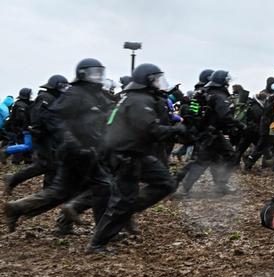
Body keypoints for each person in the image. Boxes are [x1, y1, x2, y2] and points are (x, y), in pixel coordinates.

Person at [4, 58, 112, 234]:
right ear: (83, 74)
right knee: (103, 185)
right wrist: (70, 138)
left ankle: (18, 208)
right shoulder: (75, 93)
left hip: (83, 149)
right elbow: (56, 116)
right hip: (76, 150)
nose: (98, 76)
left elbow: (105, 113)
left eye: (100, 72)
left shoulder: (94, 94)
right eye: (94, 72)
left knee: (62, 191)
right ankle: (103, 232)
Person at [88, 63, 183, 253]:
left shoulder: (136, 98)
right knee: (123, 202)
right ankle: (97, 243)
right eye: (156, 79)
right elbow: (150, 129)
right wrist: (175, 130)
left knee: (165, 183)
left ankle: (126, 210)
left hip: (136, 154)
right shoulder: (139, 101)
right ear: (147, 81)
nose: (159, 83)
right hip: (124, 156)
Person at [4, 75, 69, 194]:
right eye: (62, 86)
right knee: (46, 164)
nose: (64, 89)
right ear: (55, 86)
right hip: (42, 135)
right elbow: (38, 116)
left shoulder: (55, 99)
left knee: (51, 163)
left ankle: (48, 189)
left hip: (50, 135)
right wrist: (37, 129)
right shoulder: (45, 97)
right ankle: (14, 178)